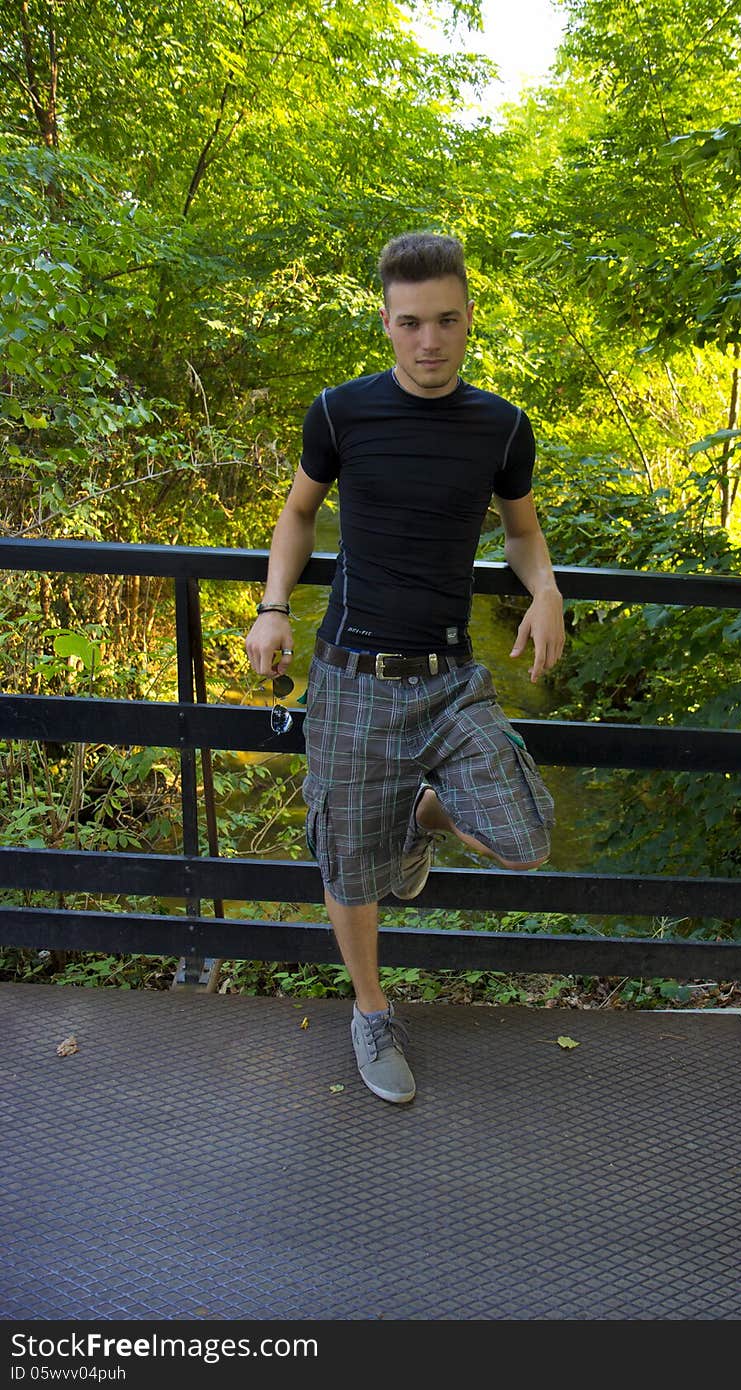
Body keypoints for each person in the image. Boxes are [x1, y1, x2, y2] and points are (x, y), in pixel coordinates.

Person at [245, 231, 565, 1105]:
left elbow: (524, 532)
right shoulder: (342, 413)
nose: (432, 341)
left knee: (525, 839)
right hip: (350, 672)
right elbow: (297, 515)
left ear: (469, 322)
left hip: (452, 677)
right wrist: (274, 608)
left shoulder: (501, 425)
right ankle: (372, 1010)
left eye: (449, 321)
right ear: (387, 323)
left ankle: (420, 814)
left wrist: (546, 592)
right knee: (349, 865)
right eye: (413, 323)